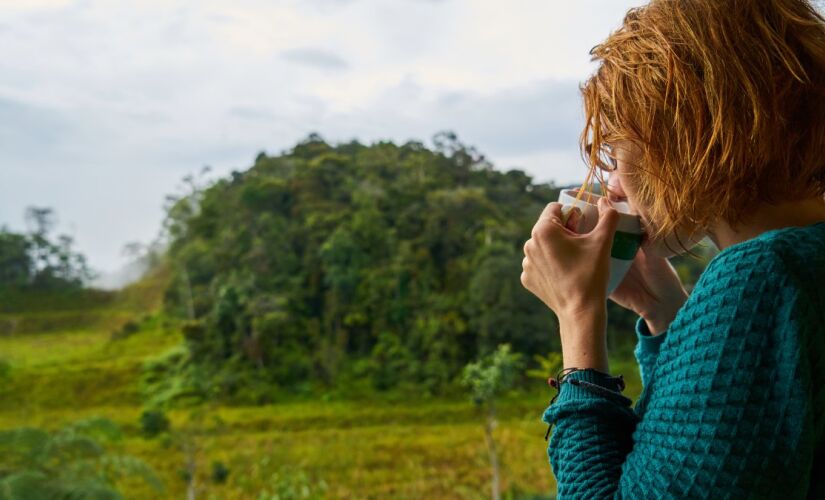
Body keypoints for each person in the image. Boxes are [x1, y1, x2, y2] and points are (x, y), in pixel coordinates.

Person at [519, 0, 825, 498]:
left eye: (614, 151)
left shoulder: (760, 275)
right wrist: (665, 315)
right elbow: (726, 450)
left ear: (683, 132)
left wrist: (577, 317)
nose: (611, 182)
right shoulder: (800, 261)